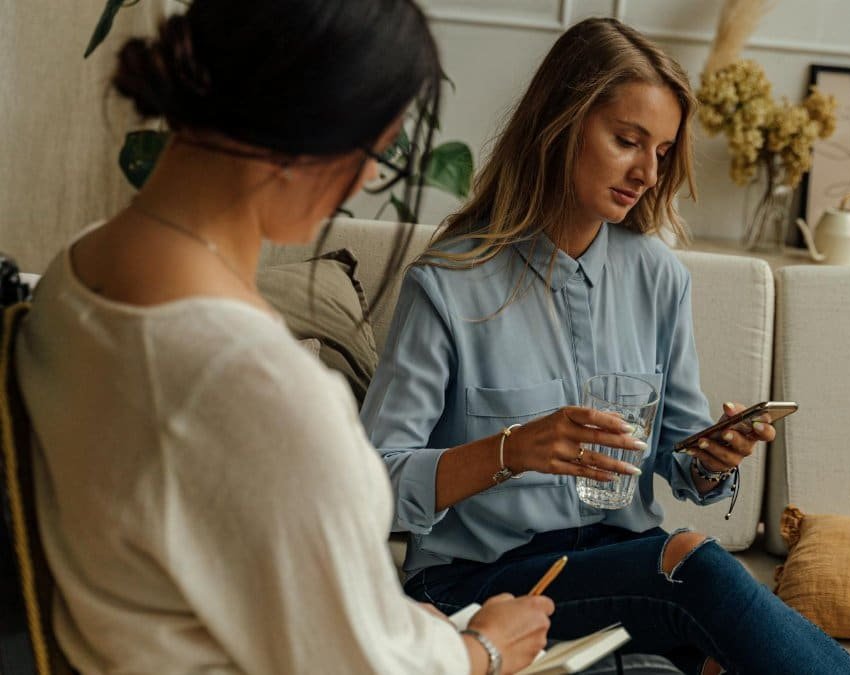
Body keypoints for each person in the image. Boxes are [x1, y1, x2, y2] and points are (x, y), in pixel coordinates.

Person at [15, 2, 553, 673]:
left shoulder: (78, 273)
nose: (363, 182)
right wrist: (485, 648)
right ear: (310, 127)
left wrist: (387, 621)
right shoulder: (253, 382)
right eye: (374, 149)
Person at [362, 17, 850, 675]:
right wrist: (513, 449)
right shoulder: (448, 284)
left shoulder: (658, 277)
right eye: (628, 140)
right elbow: (371, 482)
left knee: (723, 640)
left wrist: (713, 456)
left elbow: (682, 460)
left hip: (623, 570)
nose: (645, 172)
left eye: (660, 152)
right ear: (560, 123)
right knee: (694, 564)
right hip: (483, 582)